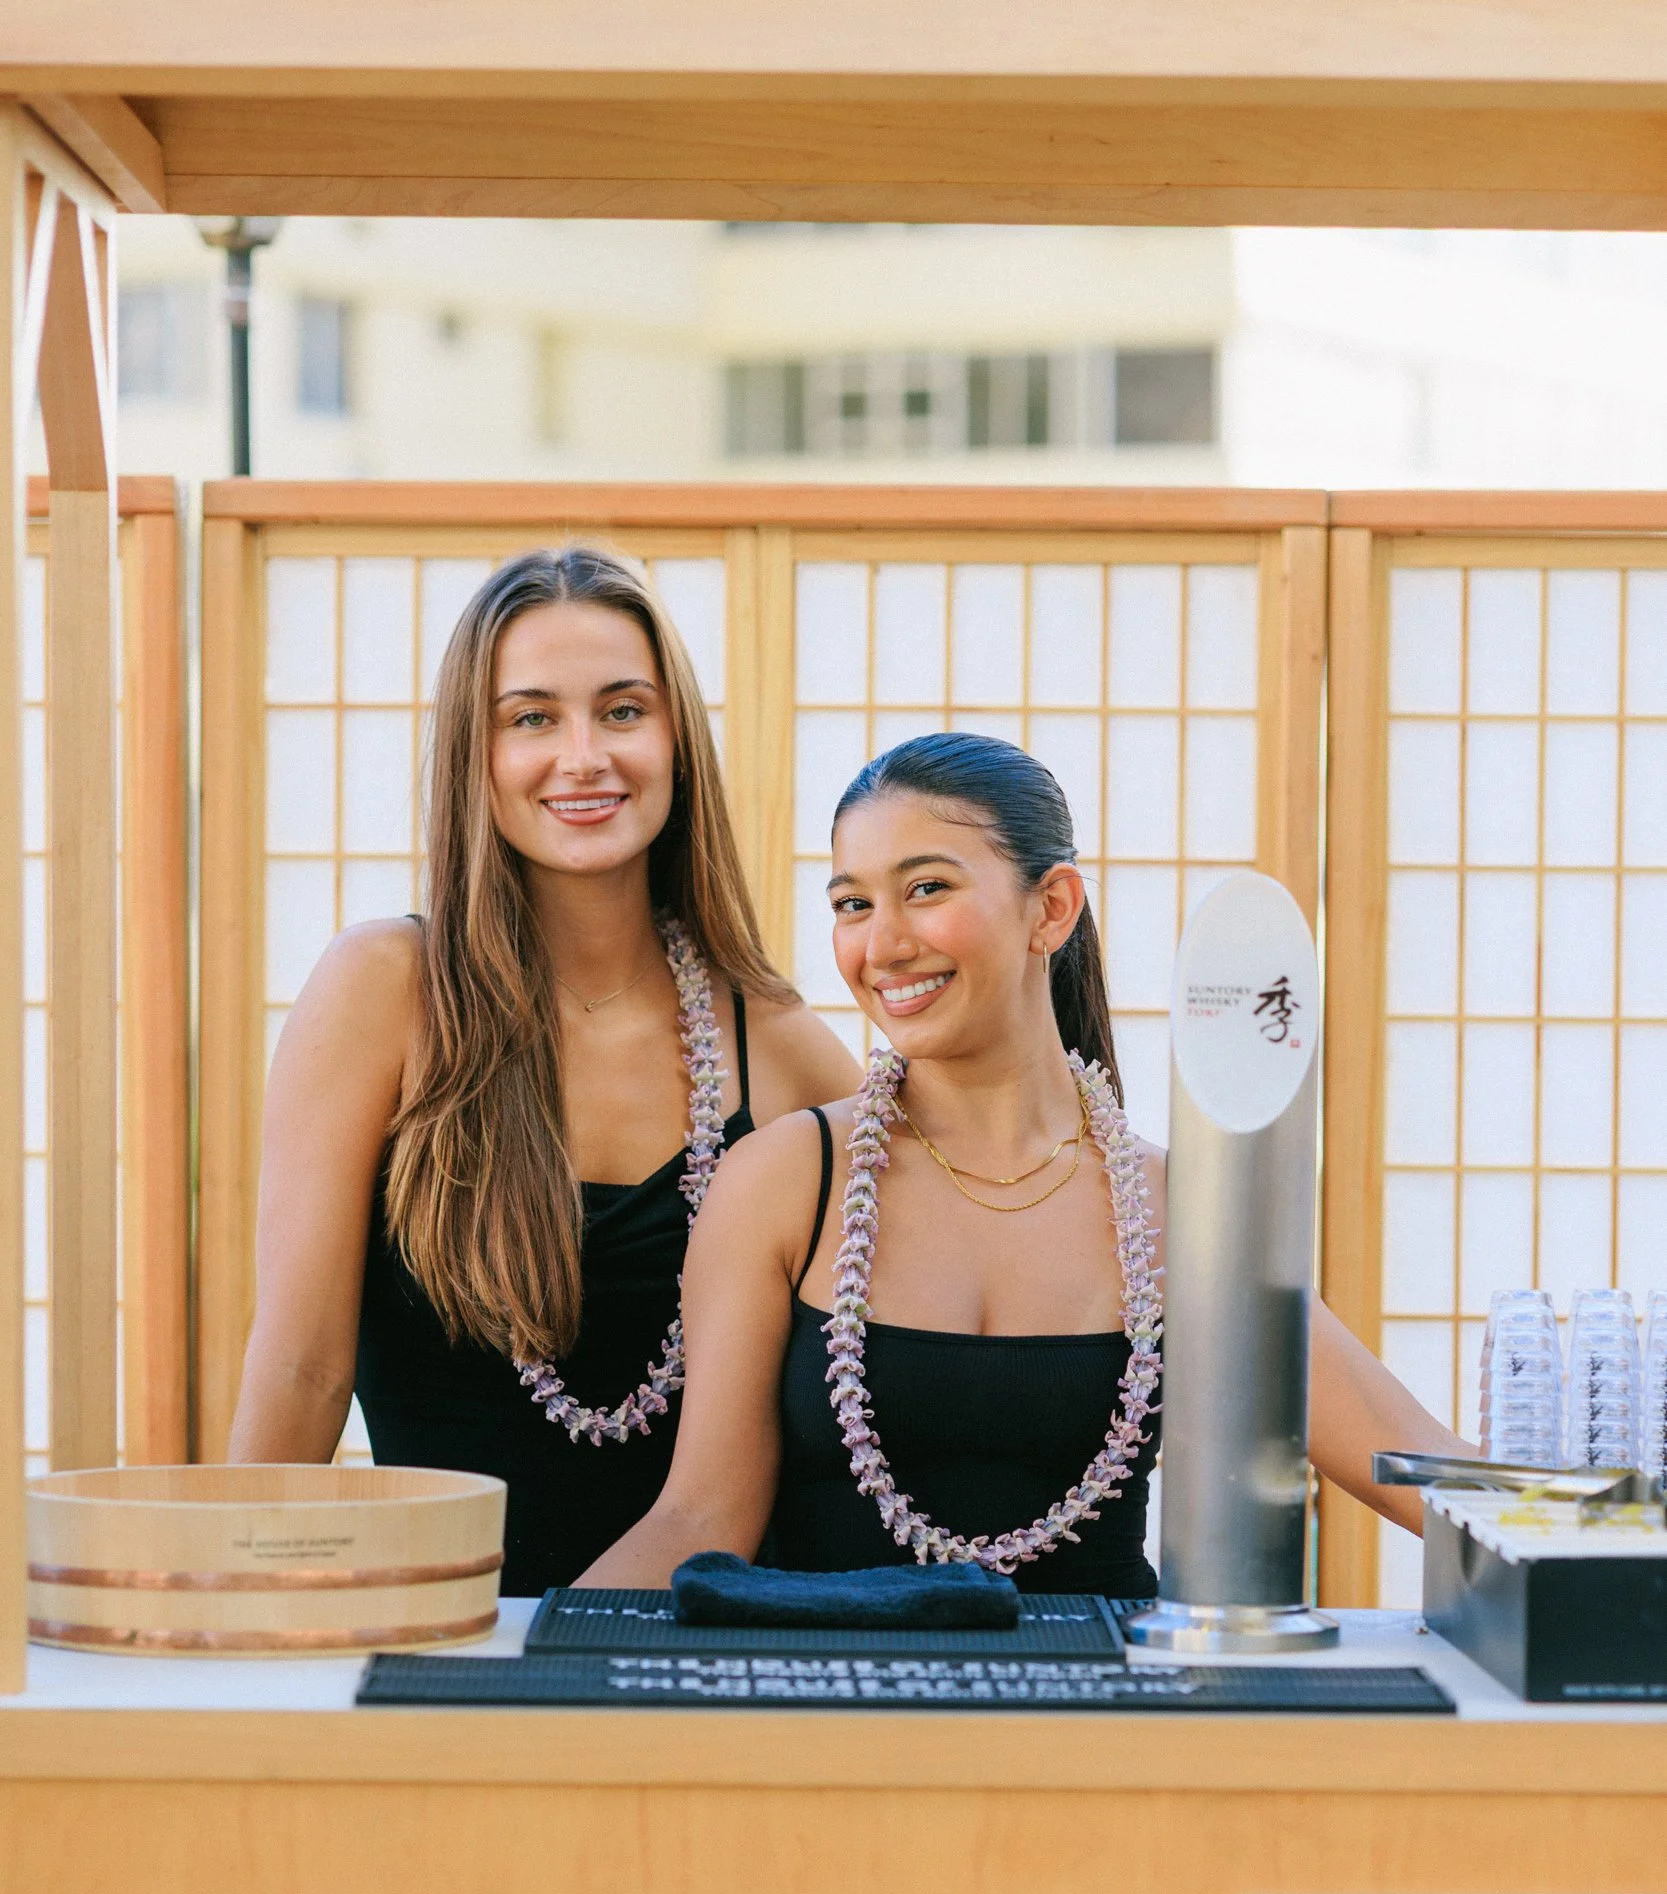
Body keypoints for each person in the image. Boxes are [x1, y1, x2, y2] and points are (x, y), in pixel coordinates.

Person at [580, 732, 1470, 1594]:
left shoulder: (1179, 1210)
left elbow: (1418, 1470)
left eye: (925, 888)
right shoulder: (784, 1179)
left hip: (1106, 1719)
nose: (880, 945)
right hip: (830, 1714)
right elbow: (699, 1520)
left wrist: (1595, 1538)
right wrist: (508, 1673)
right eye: (852, 904)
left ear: (1051, 908)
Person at [228, 545, 858, 1591]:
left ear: (677, 740)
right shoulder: (383, 991)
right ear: (476, 753)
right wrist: (226, 1622)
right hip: (447, 1642)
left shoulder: (775, 1040)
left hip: (700, 1647)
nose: (582, 756)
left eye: (622, 711)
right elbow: (303, 1368)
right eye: (531, 717)